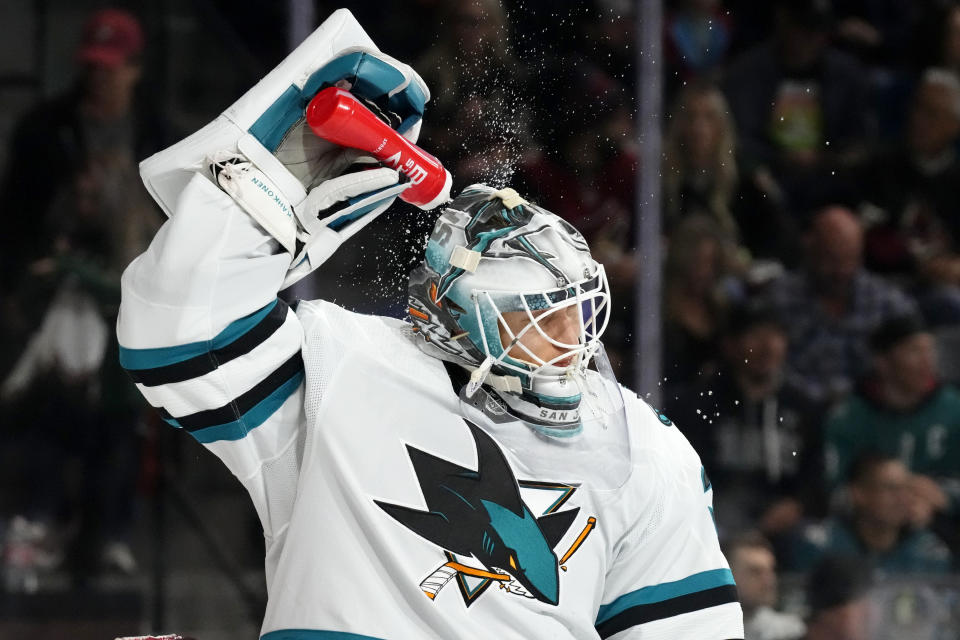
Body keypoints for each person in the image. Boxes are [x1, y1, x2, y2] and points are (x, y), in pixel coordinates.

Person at [116, 10, 743, 639]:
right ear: (459, 316)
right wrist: (263, 191)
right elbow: (176, 336)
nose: (567, 343)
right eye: (532, 318)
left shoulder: (643, 444)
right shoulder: (346, 368)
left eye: (575, 312)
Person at [667, 300, 825, 543]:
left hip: (785, 523)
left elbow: (816, 475)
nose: (767, 346)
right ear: (730, 345)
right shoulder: (699, 404)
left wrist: (797, 505)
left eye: (775, 335)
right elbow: (684, 477)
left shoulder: (803, 407)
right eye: (755, 335)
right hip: (716, 518)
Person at [824, 314, 960, 550]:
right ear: (883, 363)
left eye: (930, 350)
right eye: (914, 351)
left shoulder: (953, 408)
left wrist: (944, 495)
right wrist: (884, 502)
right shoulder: (850, 416)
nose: (927, 362)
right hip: (863, 527)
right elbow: (830, 487)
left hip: (942, 520)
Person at [764, 206, 918, 405]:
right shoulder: (779, 299)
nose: (841, 271)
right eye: (832, 260)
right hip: (800, 412)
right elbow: (766, 370)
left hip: (872, 414)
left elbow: (915, 350)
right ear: (810, 249)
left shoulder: (885, 300)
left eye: (850, 259)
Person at [789, 453, 951, 575]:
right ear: (858, 493)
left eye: (907, 488)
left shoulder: (928, 551)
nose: (903, 498)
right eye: (891, 489)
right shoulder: (819, 546)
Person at [725, 531, 805, 640]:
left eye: (771, 571)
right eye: (755, 572)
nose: (769, 581)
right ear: (726, 577)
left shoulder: (792, 632)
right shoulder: (702, 629)